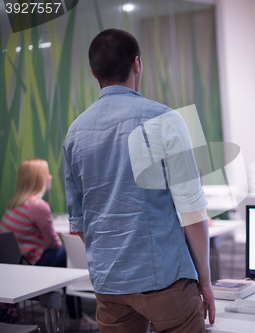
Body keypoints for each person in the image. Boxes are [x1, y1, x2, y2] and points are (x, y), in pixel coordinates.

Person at [63, 29, 215, 333]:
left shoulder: (75, 133)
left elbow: (78, 222)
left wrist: (114, 252)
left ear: (93, 72)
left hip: (109, 284)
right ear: (138, 64)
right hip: (165, 279)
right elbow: (192, 212)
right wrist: (206, 281)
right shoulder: (165, 119)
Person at [0, 158, 98, 331]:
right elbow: (53, 243)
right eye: (47, 173)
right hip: (27, 268)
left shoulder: (14, 205)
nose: (51, 177)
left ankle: (75, 313)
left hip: (13, 268)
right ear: (38, 178)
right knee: (66, 252)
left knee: (63, 253)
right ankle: (77, 316)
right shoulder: (38, 206)